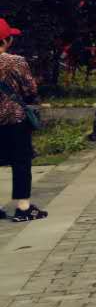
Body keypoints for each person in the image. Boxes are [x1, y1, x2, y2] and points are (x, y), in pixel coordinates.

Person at [0, 19, 46, 222]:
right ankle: (23, 207)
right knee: (21, 162)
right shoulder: (16, 62)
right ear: (6, 40)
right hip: (15, 119)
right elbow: (30, 90)